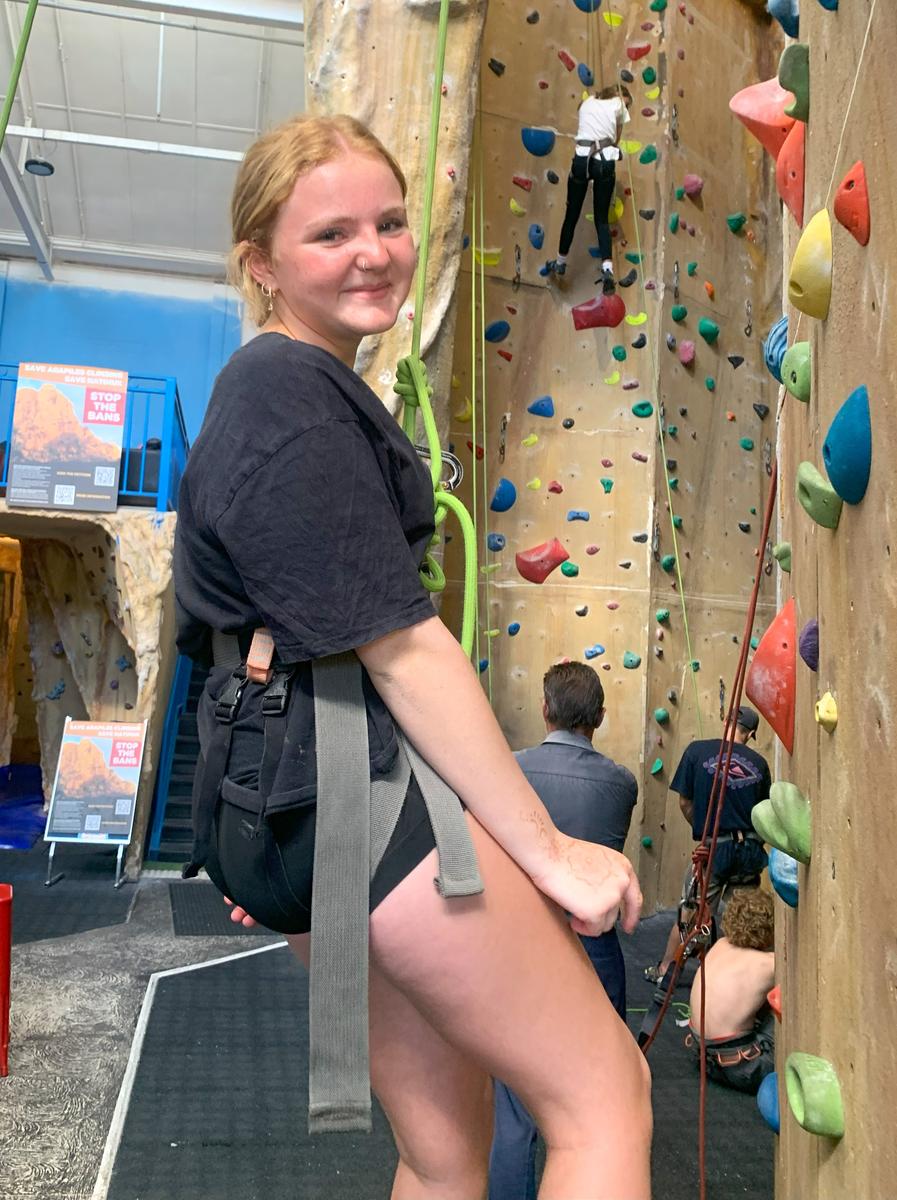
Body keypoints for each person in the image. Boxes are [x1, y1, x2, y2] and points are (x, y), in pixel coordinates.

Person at [173, 114, 651, 1200]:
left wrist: (257, 817)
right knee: (603, 1100)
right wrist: (550, 854)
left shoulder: (276, 392)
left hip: (302, 803)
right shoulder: (289, 395)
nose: (374, 252)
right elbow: (402, 651)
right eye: (330, 234)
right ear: (260, 265)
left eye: (388, 223)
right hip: (347, 796)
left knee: (444, 1152)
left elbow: (232, 631)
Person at [488, 661, 638, 1200]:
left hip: (518, 953)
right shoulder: (621, 783)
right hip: (594, 957)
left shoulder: (510, 772)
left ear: (545, 708)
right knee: (596, 1104)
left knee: (514, 1109)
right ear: (599, 717)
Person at [645, 706, 771, 984]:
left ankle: (666, 970)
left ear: (725, 721)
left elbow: (684, 802)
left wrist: (705, 831)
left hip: (714, 849)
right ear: (750, 734)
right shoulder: (760, 764)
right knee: (743, 917)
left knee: (692, 912)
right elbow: (764, 816)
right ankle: (737, 980)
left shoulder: (697, 752)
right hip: (749, 852)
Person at [541, 85, 633, 293]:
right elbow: (616, 140)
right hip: (604, 161)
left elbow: (584, 117)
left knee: (571, 215)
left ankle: (560, 262)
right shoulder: (619, 105)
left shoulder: (586, 102)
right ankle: (607, 271)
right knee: (601, 218)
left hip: (582, 159)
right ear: (620, 96)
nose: (626, 107)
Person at [685, 887, 775, 1095]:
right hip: (742, 1068)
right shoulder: (769, 965)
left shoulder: (719, 945)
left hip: (701, 1057)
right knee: (783, 1000)